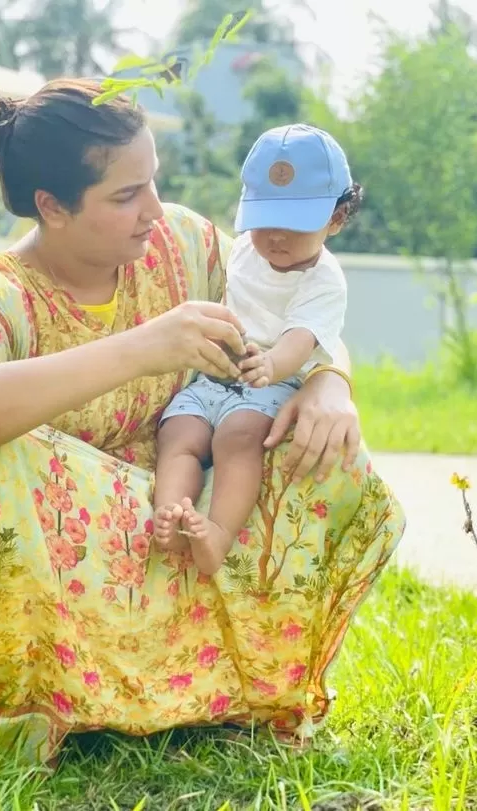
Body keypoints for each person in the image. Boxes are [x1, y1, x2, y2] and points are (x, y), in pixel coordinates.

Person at [0, 77, 406, 767]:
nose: (154, 210)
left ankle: (241, 695)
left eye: (154, 183)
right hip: (59, 557)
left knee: (304, 441)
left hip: (175, 525)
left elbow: (295, 296)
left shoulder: (183, 245)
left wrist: (329, 381)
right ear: (52, 206)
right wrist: (140, 349)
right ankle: (28, 706)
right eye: (125, 195)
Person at [153, 123, 362, 577]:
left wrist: (270, 364)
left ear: (337, 219)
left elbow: (300, 339)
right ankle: (171, 514)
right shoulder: (245, 249)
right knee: (179, 435)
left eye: (295, 225)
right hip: (213, 379)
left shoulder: (323, 281)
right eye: (265, 222)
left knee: (238, 438)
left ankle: (217, 536)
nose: (276, 238)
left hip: (273, 383)